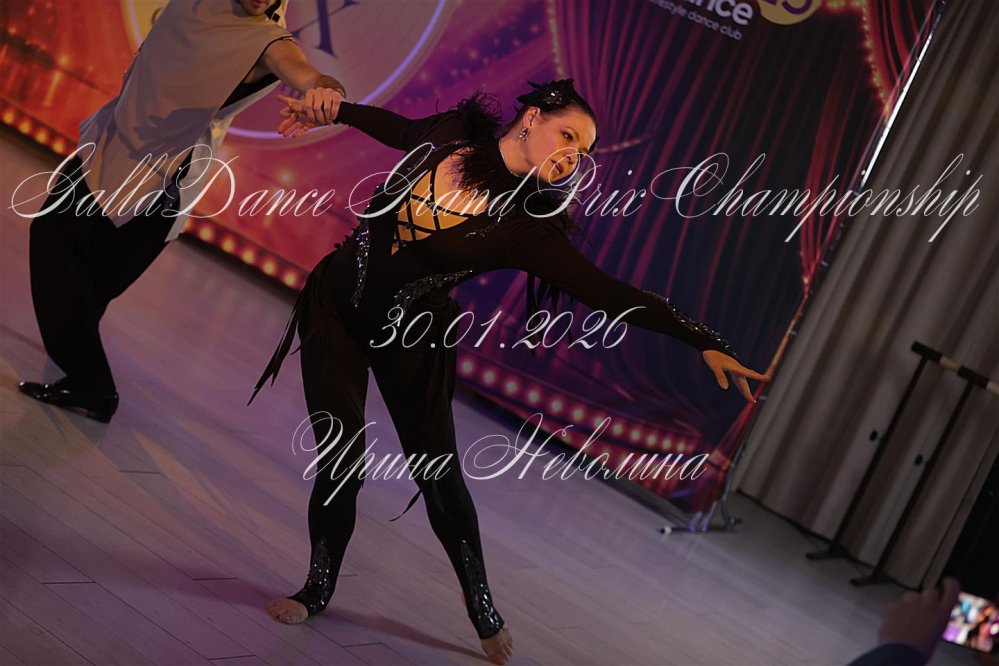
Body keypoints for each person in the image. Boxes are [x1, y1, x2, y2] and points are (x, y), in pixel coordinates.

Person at [252, 78, 771, 665]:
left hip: (411, 338)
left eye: (584, 150)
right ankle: (317, 587)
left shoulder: (526, 226)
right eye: (568, 135)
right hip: (334, 308)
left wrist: (702, 340)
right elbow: (395, 128)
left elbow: (607, 292)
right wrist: (334, 110)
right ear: (532, 118)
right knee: (339, 456)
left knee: (437, 474)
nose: (574, 155)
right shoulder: (451, 134)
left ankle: (480, 605)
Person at [17, 0, 346, 423]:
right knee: (67, 263)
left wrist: (326, 90)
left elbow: (304, 72)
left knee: (83, 276)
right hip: (110, 141)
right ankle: (84, 374)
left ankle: (92, 385)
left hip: (156, 183)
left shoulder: (268, 40)